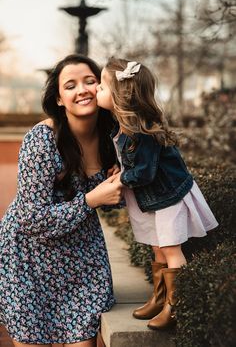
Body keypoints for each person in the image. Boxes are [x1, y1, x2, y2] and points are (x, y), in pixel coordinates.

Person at [0, 54, 123, 347]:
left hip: (82, 262)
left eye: (90, 81)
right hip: (28, 262)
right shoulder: (42, 141)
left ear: (103, 87)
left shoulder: (115, 138)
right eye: (70, 85)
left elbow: (116, 200)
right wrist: (91, 199)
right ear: (58, 99)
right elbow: (31, 219)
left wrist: (119, 184)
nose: (82, 90)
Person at [96, 57, 218, 330]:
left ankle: (176, 307)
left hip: (167, 198)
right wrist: (120, 167)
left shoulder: (142, 130)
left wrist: (120, 180)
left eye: (101, 87)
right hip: (151, 199)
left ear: (119, 96)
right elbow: (133, 162)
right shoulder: (122, 126)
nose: (96, 91)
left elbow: (144, 173)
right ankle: (160, 297)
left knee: (171, 249)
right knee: (157, 247)